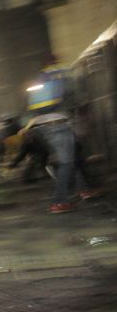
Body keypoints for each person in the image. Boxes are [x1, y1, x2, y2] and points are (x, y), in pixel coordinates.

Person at [21, 54, 99, 213]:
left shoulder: (40, 78)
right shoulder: (63, 73)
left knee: (73, 156)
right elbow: (76, 96)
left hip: (41, 126)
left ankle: (83, 189)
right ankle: (58, 201)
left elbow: (29, 107)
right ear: (56, 61)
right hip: (58, 124)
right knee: (67, 162)